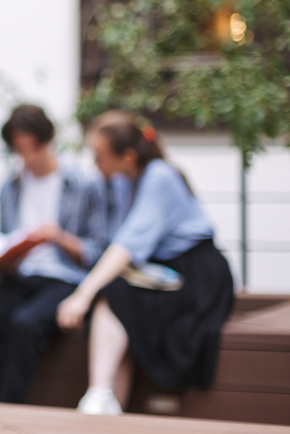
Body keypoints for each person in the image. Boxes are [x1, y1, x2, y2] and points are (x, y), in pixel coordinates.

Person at [58, 110, 234, 415]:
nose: (94, 163)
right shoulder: (126, 180)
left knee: (114, 295)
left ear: (126, 157)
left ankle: (100, 397)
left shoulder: (159, 177)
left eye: (99, 156)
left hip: (195, 277)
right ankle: (105, 402)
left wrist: (82, 295)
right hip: (159, 273)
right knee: (122, 303)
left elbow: (126, 247)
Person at [0, 104, 108, 404]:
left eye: (33, 148)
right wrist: (3, 257)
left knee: (25, 324)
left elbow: (98, 251)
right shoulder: (10, 188)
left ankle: (3, 410)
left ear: (48, 141)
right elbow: (5, 244)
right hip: (20, 275)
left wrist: (58, 237)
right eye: (19, 150)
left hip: (63, 276)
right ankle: (3, 407)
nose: (28, 157)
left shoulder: (83, 184)